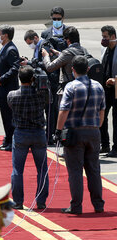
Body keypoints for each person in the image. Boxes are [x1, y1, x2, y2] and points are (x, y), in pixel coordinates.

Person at [54, 56, 105, 214]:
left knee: (75, 171)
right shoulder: (98, 86)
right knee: (94, 169)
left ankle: (76, 206)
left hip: (75, 132)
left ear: (72, 69)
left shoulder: (71, 87)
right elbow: (102, 110)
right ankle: (98, 205)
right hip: (94, 131)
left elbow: (64, 110)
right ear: (88, 69)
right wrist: (97, 125)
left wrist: (58, 130)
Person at [7, 65, 49, 210]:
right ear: (33, 79)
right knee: (42, 169)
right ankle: (41, 201)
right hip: (38, 133)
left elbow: (11, 106)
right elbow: (48, 100)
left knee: (17, 169)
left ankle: (18, 201)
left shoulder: (12, 95)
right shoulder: (41, 94)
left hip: (21, 133)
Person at [23, 30, 59, 145]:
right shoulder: (38, 47)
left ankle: (50, 136)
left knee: (50, 110)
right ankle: (48, 134)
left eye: (30, 43)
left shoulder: (45, 46)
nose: (30, 45)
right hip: (43, 83)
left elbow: (47, 64)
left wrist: (30, 63)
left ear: (35, 37)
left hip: (50, 83)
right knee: (46, 109)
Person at [0, 25, 20, 151]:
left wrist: (2, 78)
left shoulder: (11, 49)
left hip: (7, 88)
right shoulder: (5, 48)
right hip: (2, 89)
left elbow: (15, 68)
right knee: (5, 116)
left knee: (9, 116)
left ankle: (11, 142)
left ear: (5, 35)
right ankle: (7, 140)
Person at [42, 26, 87, 91]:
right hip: (83, 85)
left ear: (68, 40)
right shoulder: (83, 50)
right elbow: (70, 57)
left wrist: (46, 56)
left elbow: (50, 67)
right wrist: (59, 54)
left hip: (69, 87)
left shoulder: (66, 53)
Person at [99, 25, 117, 156]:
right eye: (102, 37)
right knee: (102, 116)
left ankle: (116, 148)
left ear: (113, 37)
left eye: (105, 37)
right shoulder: (105, 50)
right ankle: (105, 144)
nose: (103, 39)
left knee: (116, 120)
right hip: (106, 90)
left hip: (116, 90)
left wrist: (114, 81)